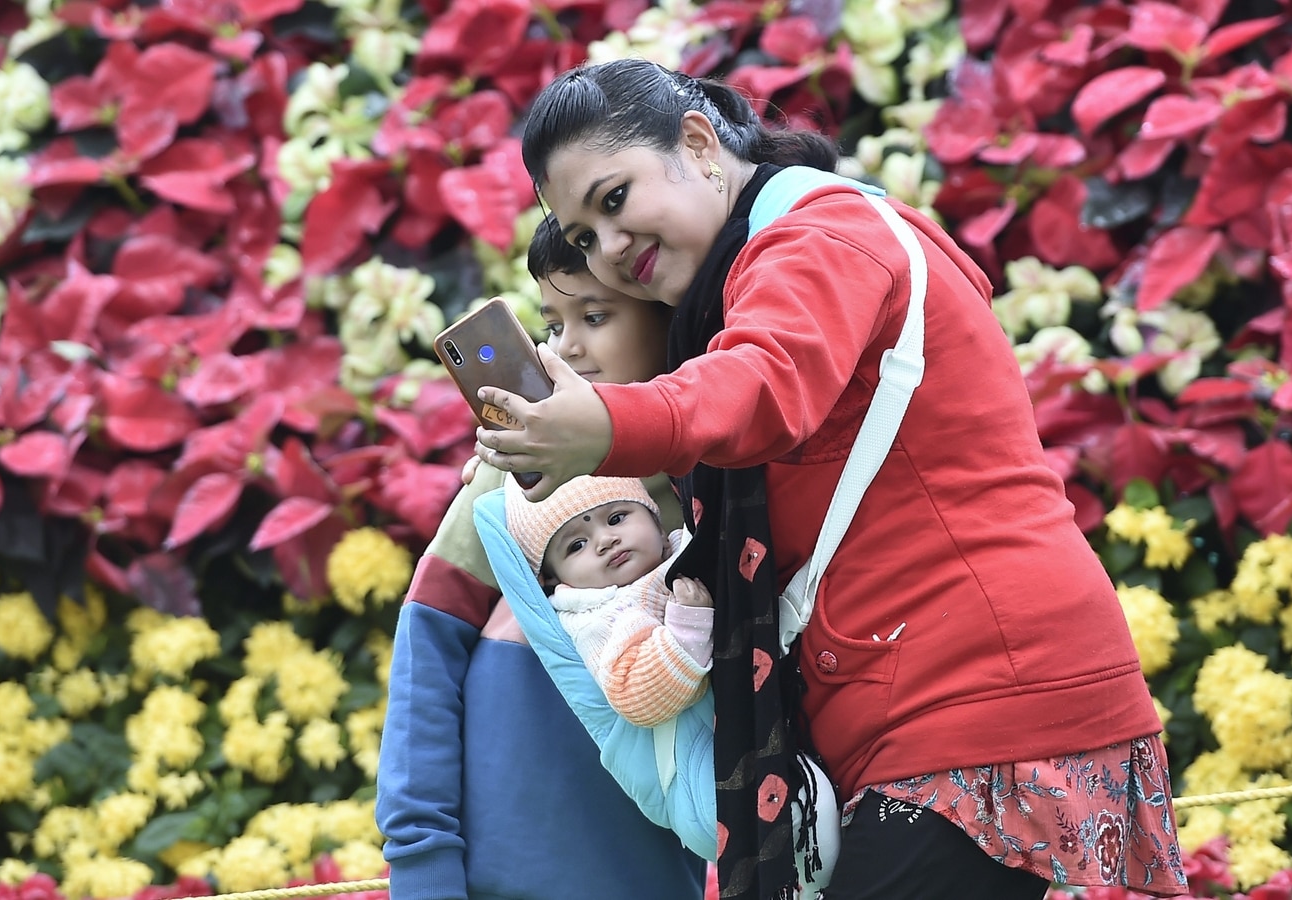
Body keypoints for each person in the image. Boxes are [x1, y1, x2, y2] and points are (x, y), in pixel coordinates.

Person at [471, 57, 1190, 900]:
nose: (608, 246)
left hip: (981, 704)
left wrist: (602, 429)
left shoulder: (819, 236)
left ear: (698, 144)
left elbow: (763, 386)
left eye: (615, 199)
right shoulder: (754, 276)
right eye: (584, 235)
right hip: (932, 712)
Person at [375, 215, 706, 900]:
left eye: (595, 315)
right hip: (512, 867)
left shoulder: (721, 470)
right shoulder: (517, 468)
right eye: (553, 325)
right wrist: (421, 857)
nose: (568, 350)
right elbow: (429, 652)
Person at [505, 474, 712, 727]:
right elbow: (639, 701)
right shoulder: (599, 620)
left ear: (656, 523)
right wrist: (689, 626)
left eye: (616, 519)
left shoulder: (692, 542)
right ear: (554, 580)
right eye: (577, 545)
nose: (605, 541)